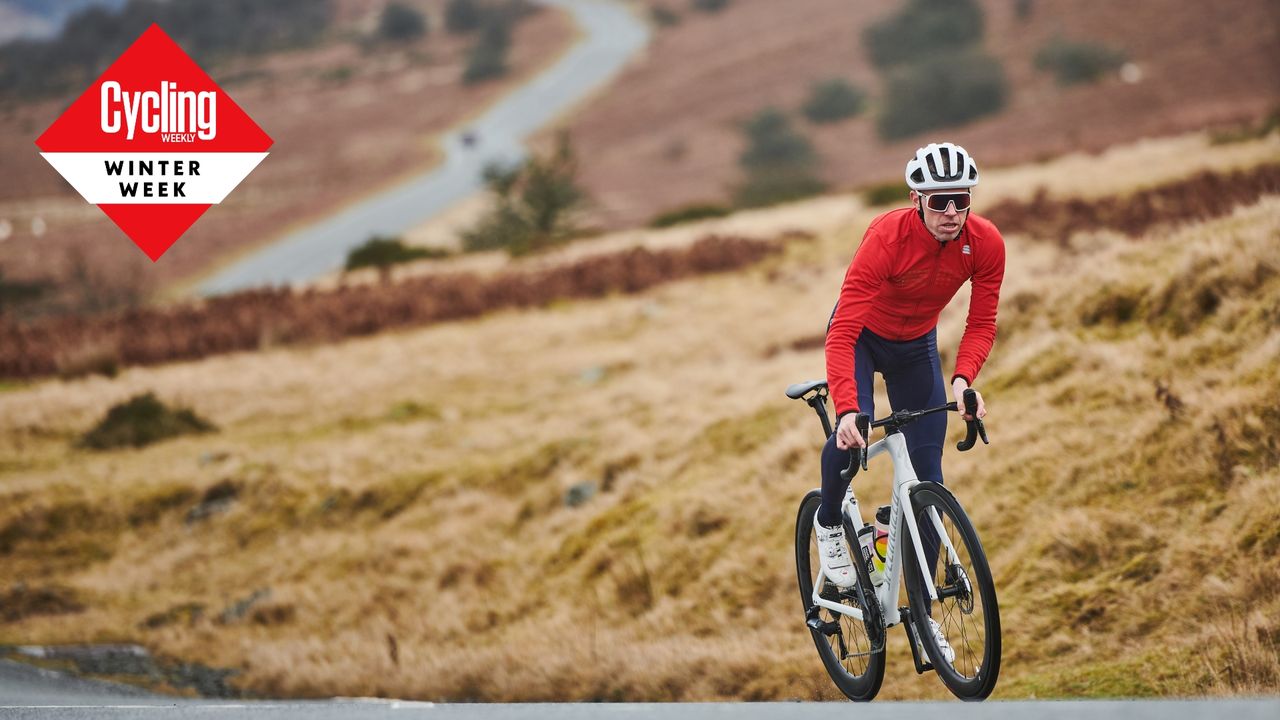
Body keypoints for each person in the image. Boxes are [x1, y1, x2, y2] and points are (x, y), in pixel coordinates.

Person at [814, 142, 1006, 663]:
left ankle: (921, 616)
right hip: (861, 338)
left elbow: (981, 322)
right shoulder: (886, 237)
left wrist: (964, 381)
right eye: (940, 201)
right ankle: (830, 518)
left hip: (916, 346)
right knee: (853, 438)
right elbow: (843, 329)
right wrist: (850, 405)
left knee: (929, 478)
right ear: (917, 198)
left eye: (960, 201)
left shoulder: (984, 244)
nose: (950, 213)